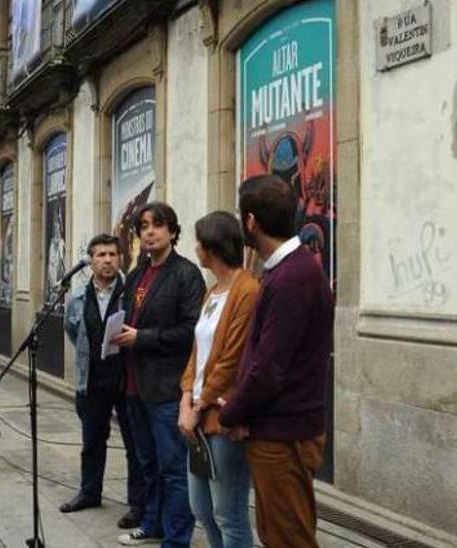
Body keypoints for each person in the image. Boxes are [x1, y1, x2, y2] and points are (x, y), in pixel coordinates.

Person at [218, 175, 335, 548]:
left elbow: (269, 368)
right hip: (275, 429)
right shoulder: (284, 271)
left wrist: (230, 412)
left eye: (241, 217)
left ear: (251, 222)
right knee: (274, 534)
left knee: (289, 538)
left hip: (285, 434)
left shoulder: (293, 277)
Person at [111, 202, 205, 547]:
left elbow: (190, 330)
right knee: (147, 463)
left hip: (167, 388)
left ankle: (177, 538)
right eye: (144, 226)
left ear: (173, 232)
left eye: (158, 225)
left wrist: (142, 338)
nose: (149, 232)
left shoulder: (185, 274)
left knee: (174, 469)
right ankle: (152, 524)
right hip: (134, 385)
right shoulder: (136, 274)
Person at [178, 212, 259, 548]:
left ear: (211, 247)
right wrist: (185, 397)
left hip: (220, 416)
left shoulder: (247, 290)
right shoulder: (212, 291)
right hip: (196, 413)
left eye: (198, 241)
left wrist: (199, 405)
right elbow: (198, 352)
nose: (194, 247)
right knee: (202, 509)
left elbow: (231, 358)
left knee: (229, 511)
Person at [60, 234, 147, 527]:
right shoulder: (78, 298)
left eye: (112, 254)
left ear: (120, 259)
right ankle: (89, 492)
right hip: (93, 381)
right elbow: (73, 332)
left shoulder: (132, 292)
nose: (107, 260)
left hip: (126, 379)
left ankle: (138, 504)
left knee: (134, 445)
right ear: (91, 261)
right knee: (92, 440)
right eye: (101, 255)